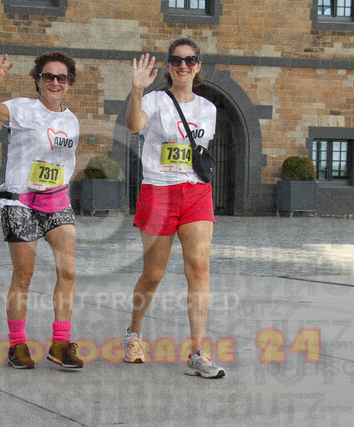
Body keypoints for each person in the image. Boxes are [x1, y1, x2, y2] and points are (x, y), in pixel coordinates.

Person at [122, 38, 225, 378]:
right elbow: (134, 125)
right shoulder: (154, 100)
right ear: (168, 65)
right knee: (153, 274)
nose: (183, 65)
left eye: (190, 60)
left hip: (196, 192)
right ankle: (134, 333)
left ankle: (198, 351)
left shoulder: (208, 109)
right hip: (159, 193)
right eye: (177, 60)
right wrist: (137, 90)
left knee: (199, 268)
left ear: (198, 66)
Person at [0, 52, 83, 370]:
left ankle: (61, 344)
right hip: (20, 202)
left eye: (61, 77)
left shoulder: (72, 120)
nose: (54, 82)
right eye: (48, 76)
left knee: (68, 272)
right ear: (38, 80)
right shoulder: (23, 108)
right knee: (24, 275)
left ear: (69, 83)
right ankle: (17, 345)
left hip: (57, 201)